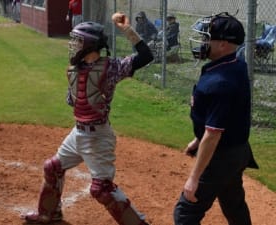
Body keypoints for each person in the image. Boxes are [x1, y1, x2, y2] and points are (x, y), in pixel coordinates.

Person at [22, 12, 153, 225]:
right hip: (78, 133)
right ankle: (49, 214)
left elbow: (146, 56)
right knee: (52, 167)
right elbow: (74, 101)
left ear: (89, 45)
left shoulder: (111, 67)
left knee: (101, 190)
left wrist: (127, 30)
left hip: (98, 137)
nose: (72, 45)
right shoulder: (73, 71)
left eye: (77, 41)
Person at [174, 12, 259, 225]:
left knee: (185, 213)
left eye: (207, 38)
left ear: (223, 45)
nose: (203, 42)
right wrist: (198, 137)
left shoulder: (220, 82)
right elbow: (226, 116)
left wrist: (194, 179)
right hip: (238, 151)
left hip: (220, 157)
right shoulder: (236, 64)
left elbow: (213, 135)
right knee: (234, 205)